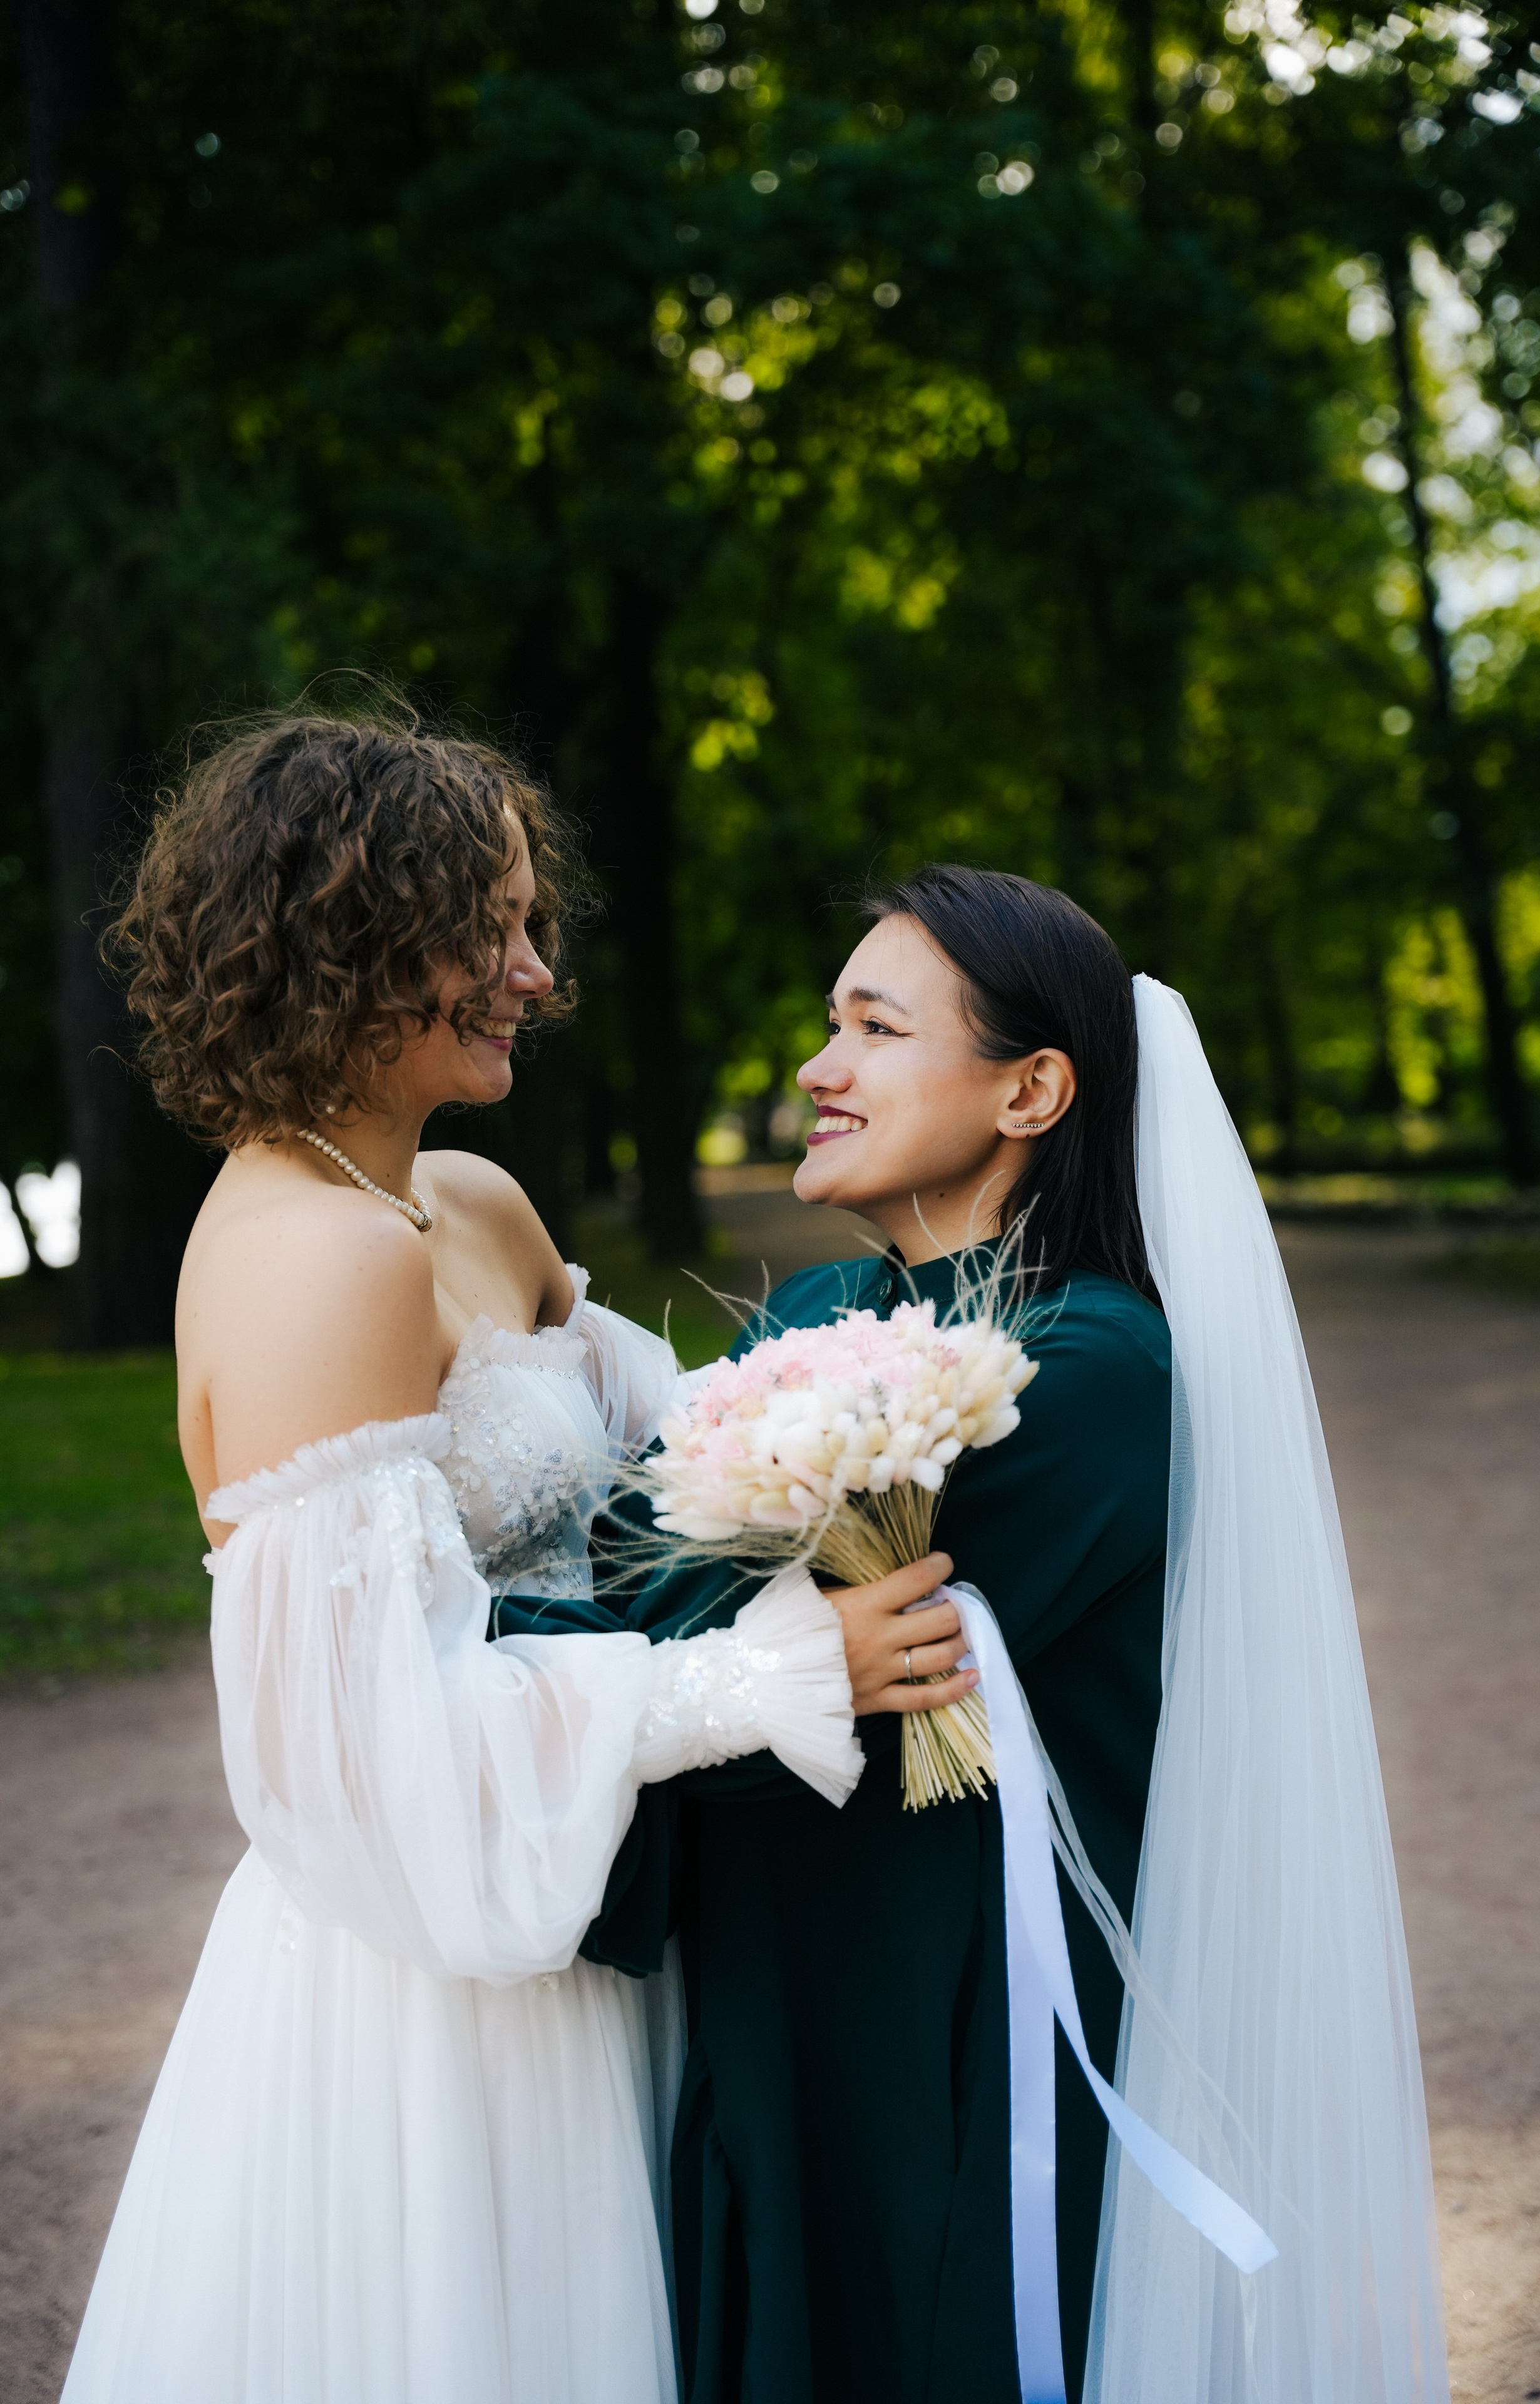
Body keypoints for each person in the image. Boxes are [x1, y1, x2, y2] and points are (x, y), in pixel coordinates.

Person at [59, 707, 967, 2404]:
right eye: (497, 929)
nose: (538, 973)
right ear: (358, 933)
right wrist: (781, 1673)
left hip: (585, 1910)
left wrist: (909, 1375)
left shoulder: (463, 1200)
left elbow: (698, 1447)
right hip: (435, 2001)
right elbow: (366, 1758)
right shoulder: (311, 1263)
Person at [594, 865, 1447, 2404]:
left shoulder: (1091, 1365)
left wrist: (635, 1655)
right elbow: (642, 1589)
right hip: (781, 1993)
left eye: (873, 1025)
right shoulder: (819, 1317)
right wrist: (668, 1640)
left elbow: (690, 1630)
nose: (816, 1066)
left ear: (1032, 1089)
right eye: (827, 1022)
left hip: (947, 2032)